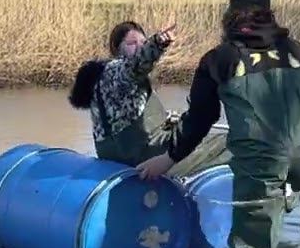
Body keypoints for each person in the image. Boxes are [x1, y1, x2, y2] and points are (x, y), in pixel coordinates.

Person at [135, 0, 300, 248]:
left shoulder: (219, 59)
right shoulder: (298, 52)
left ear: (230, 15)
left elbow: (200, 120)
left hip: (261, 159)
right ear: (269, 14)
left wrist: (168, 158)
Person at [68, 20, 230, 178]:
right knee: (233, 142)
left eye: (142, 42)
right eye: (132, 43)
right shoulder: (120, 71)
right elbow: (136, 63)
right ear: (116, 48)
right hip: (148, 154)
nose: (139, 46)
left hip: (114, 157)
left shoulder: (101, 77)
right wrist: (158, 42)